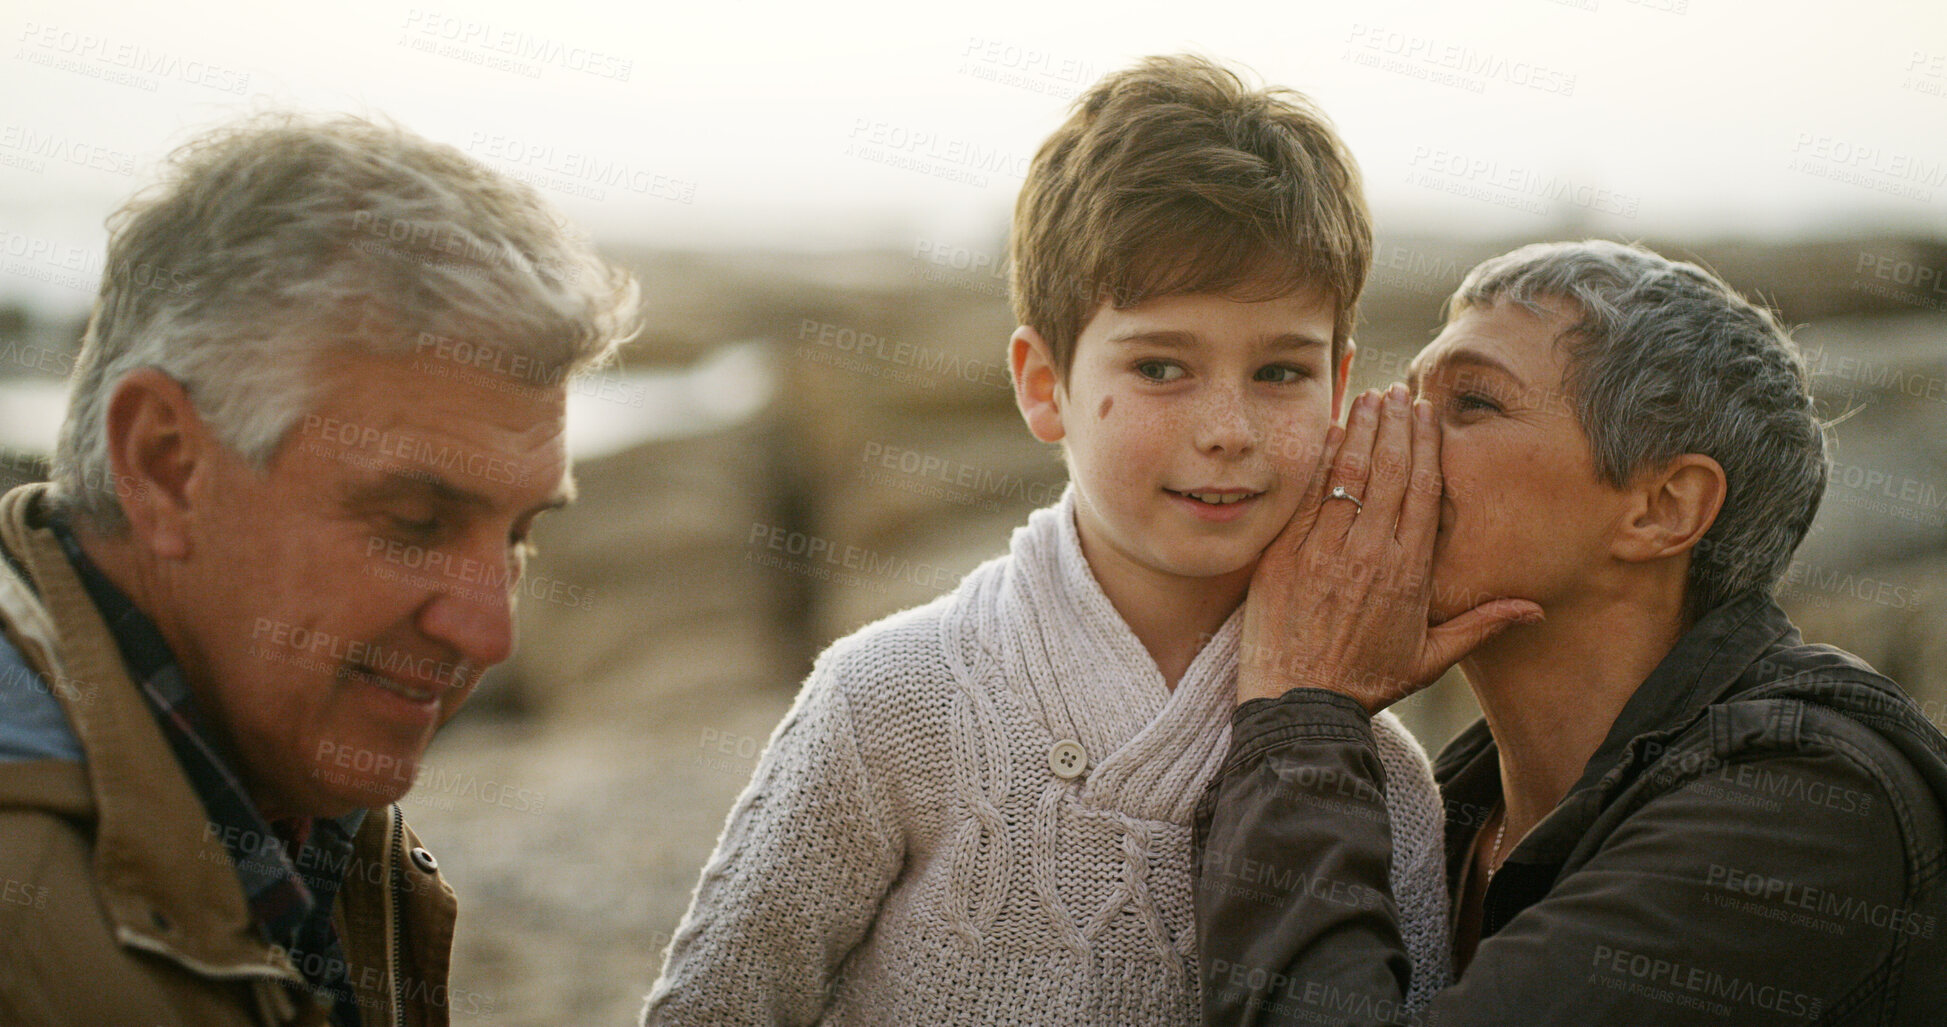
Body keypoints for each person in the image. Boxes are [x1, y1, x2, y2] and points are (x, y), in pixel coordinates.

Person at [642, 55, 1451, 1026]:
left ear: (1342, 382)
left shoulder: (1381, 783)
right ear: (1040, 381)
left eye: (1281, 372)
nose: (1228, 427)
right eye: (1161, 366)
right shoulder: (887, 703)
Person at [1195, 240, 1947, 1024]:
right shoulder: (1444, 812)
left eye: (1471, 403)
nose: (1383, 434)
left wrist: (1299, 701)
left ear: (1662, 509)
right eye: (1404, 394)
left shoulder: (1804, 806)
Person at [0, 113, 637, 1025]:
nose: (492, 633)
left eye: (519, 534)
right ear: (166, 464)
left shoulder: (287, 785)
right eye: (415, 522)